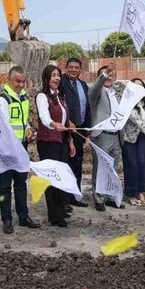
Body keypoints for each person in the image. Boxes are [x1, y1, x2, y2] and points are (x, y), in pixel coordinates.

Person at [0, 66, 41, 234]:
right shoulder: (2, 100)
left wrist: (28, 129)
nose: (21, 85)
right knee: (5, 186)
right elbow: (4, 126)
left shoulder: (23, 97)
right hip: (6, 150)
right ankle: (6, 219)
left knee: (21, 184)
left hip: (21, 146)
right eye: (17, 81)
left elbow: (22, 120)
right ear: (9, 80)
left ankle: (23, 216)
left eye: (23, 81)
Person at [36, 65, 76, 227]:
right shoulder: (42, 96)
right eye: (53, 75)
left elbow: (66, 119)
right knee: (51, 179)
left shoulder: (60, 96)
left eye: (58, 75)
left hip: (62, 141)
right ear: (46, 78)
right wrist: (53, 123)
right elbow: (44, 117)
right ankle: (54, 215)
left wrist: (70, 140)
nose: (57, 78)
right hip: (48, 142)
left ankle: (60, 208)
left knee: (62, 176)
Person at [89, 64, 123, 211]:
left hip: (116, 135)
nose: (109, 77)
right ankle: (98, 198)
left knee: (113, 168)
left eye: (111, 75)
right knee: (100, 167)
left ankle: (110, 196)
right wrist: (102, 76)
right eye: (105, 75)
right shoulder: (97, 91)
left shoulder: (114, 92)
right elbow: (94, 91)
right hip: (102, 135)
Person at [59, 57, 90, 208]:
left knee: (77, 163)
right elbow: (60, 106)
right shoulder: (61, 84)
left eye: (76, 67)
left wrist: (87, 129)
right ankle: (64, 199)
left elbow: (87, 107)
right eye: (70, 67)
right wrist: (67, 122)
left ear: (80, 69)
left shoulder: (83, 85)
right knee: (66, 164)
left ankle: (75, 196)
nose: (73, 69)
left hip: (80, 130)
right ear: (66, 68)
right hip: (65, 131)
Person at [121, 78, 145, 206]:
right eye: (136, 86)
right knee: (131, 164)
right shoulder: (127, 102)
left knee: (141, 164)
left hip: (141, 137)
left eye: (141, 86)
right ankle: (131, 193)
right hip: (129, 138)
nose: (139, 88)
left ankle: (141, 191)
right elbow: (136, 120)